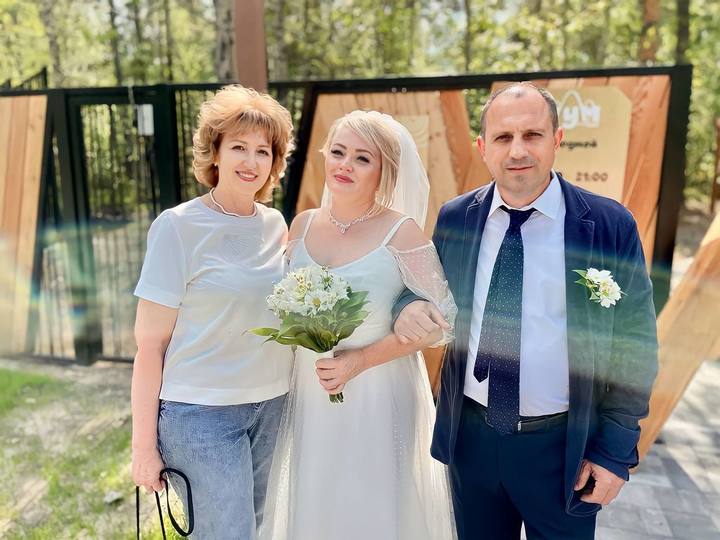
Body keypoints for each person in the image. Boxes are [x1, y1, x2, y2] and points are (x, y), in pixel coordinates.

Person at [393, 82, 659, 539]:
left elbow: (635, 344)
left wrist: (614, 452)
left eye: (532, 135)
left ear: (557, 139)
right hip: (471, 442)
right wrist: (407, 308)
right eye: (503, 137)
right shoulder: (456, 217)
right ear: (483, 148)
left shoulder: (608, 225)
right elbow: (420, 291)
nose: (517, 150)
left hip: (563, 452)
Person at [260, 110, 457, 540]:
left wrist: (362, 359)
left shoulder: (401, 233)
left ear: (384, 170)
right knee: (317, 503)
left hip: (378, 394)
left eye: (362, 158)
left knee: (372, 509)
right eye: (338, 152)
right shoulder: (302, 224)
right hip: (312, 392)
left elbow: (444, 322)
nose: (345, 165)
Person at [131, 85, 295, 539]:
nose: (251, 161)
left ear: (274, 162)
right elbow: (150, 345)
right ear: (216, 153)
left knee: (261, 529)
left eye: (263, 151)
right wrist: (143, 447)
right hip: (201, 414)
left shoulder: (276, 225)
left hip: (273, 404)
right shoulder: (178, 227)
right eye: (239, 147)